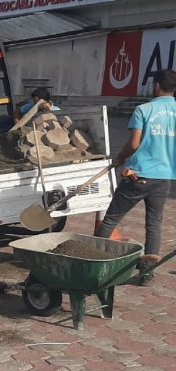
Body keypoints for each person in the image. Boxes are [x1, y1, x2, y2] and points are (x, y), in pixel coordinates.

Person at [95, 69, 176, 284]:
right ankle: (147, 272)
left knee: (111, 218)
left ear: (156, 85)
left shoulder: (144, 109)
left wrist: (120, 158)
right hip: (164, 176)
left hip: (138, 175)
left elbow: (133, 143)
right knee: (154, 224)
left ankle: (91, 262)